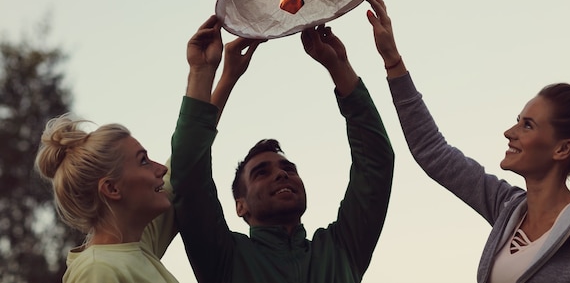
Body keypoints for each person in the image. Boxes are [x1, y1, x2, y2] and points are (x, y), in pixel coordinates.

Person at [365, 0, 570, 282]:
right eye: (518, 121)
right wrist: (392, 60)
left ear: (562, 149)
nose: (509, 133)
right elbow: (433, 152)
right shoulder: (508, 209)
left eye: (528, 125)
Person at [170, 15, 395, 283]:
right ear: (240, 206)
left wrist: (339, 65)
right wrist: (202, 72)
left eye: (288, 168)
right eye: (261, 173)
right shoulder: (225, 257)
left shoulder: (341, 249)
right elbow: (189, 180)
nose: (281, 174)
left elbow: (376, 163)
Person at [34, 115, 178, 282]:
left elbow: (187, 151)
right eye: (143, 161)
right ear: (111, 188)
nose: (161, 169)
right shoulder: (97, 269)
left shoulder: (135, 246)